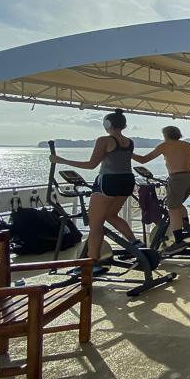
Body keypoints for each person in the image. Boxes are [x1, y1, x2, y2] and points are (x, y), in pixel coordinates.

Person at [49, 109, 140, 268]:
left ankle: (93, 263)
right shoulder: (129, 142)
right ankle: (134, 242)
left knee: (95, 224)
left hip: (108, 181)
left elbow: (91, 165)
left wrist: (61, 160)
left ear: (107, 124)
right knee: (111, 214)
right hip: (127, 180)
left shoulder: (104, 140)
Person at [132, 126, 190, 254]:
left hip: (177, 178)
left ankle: (179, 242)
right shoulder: (187, 144)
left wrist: (129, 153)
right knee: (178, 206)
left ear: (166, 135)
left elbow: (143, 159)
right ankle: (187, 232)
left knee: (172, 210)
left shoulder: (165, 145)